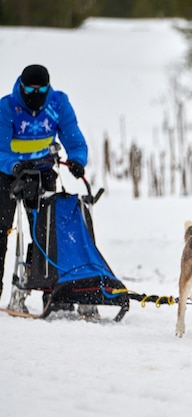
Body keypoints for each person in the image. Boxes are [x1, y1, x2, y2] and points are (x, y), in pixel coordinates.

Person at [0, 64, 95, 317]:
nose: (35, 93)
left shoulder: (58, 103)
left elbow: (74, 138)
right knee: (2, 229)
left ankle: (52, 291)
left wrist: (77, 159)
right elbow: (1, 149)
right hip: (9, 173)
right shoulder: (7, 107)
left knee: (47, 232)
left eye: (41, 89)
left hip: (43, 171)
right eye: (30, 88)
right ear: (21, 86)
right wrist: (15, 166)